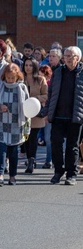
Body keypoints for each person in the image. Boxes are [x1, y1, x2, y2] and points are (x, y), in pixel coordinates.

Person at [44, 46, 83, 185]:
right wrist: (47, 112)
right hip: (58, 116)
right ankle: (58, 172)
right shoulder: (58, 72)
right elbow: (51, 94)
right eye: (65, 56)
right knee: (56, 144)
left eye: (69, 56)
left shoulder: (82, 73)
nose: (66, 58)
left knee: (72, 146)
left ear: (77, 58)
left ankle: (71, 174)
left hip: (76, 117)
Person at [0, 64, 29, 186]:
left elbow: (28, 108)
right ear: (4, 75)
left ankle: (12, 176)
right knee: (1, 151)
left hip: (16, 124)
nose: (10, 80)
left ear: (17, 77)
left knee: (13, 152)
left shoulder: (22, 88)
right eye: (8, 77)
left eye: (13, 78)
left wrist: (27, 127)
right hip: (0, 123)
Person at [22, 59, 47, 174]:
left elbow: (46, 95)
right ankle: (29, 158)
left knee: (33, 137)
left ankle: (32, 160)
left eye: (30, 65)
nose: (28, 67)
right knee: (25, 138)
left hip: (36, 114)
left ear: (35, 67)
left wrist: (35, 99)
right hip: (23, 113)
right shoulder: (20, 79)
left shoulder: (41, 79)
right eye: (26, 65)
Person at [39, 64, 54, 169]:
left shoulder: (50, 84)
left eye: (42, 75)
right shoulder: (37, 83)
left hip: (47, 113)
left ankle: (49, 160)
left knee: (48, 138)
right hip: (37, 113)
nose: (40, 77)